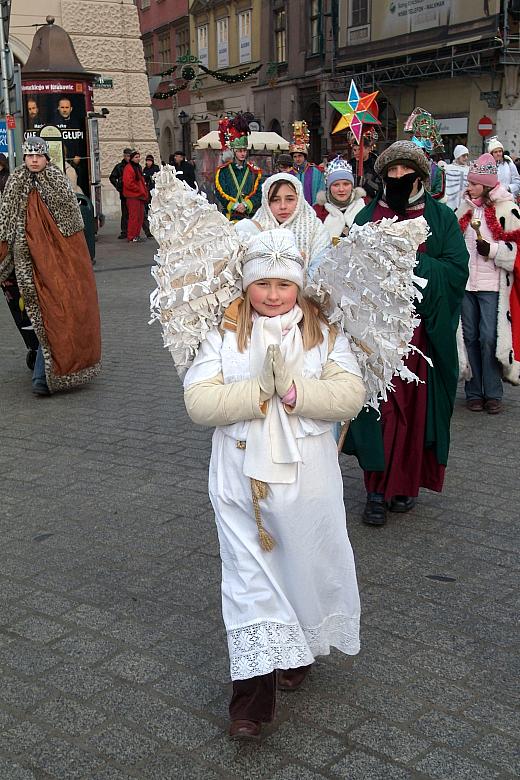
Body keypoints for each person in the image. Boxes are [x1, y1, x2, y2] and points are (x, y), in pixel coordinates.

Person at [183, 228, 365, 740]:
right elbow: (198, 400)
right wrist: (256, 391)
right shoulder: (224, 331)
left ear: (298, 287)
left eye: (283, 284)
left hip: (307, 481)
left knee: (301, 571)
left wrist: (293, 390)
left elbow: (349, 394)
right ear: (247, 286)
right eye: (262, 283)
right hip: (241, 480)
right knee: (248, 584)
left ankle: (298, 651)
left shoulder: (324, 332)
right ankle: (250, 703)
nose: (272, 294)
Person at [342, 140, 469, 525]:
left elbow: (455, 271)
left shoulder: (441, 218)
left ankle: (404, 486)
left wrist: (414, 263)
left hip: (420, 337)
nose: (398, 177)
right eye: (391, 172)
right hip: (375, 337)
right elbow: (349, 271)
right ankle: (376, 490)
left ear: (420, 176)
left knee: (413, 412)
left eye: (404, 170)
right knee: (378, 411)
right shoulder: (367, 216)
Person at [0, 136, 101, 396]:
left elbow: (71, 228)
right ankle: (39, 359)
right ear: (24, 158)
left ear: (46, 157)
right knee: (30, 315)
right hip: (21, 263)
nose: (34, 160)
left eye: (38, 156)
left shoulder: (58, 182)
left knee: (55, 312)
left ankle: (44, 375)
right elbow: (6, 224)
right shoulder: (15, 182)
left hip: (55, 263)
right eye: (30, 156)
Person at [456, 153, 520, 413]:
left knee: (489, 338)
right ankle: (473, 392)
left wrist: (492, 250)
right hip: (467, 286)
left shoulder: (508, 209)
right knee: (469, 337)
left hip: (493, 286)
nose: (468, 187)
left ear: (486, 185)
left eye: (473, 183)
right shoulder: (464, 208)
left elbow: (517, 250)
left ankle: (493, 392)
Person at [236, 173, 330, 275]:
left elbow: (321, 272)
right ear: (266, 202)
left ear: (299, 199)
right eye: (275, 200)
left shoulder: (317, 230)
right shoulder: (251, 230)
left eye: (290, 199)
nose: (283, 206)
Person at [215, 113, 262, 221]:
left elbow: (258, 193)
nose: (243, 154)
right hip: (229, 217)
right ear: (233, 151)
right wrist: (234, 205)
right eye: (239, 151)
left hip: (249, 216)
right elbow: (219, 192)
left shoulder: (254, 171)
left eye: (244, 151)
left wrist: (246, 205)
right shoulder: (223, 171)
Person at [313, 157, 366, 239]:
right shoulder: (317, 212)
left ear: (352, 186)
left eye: (346, 184)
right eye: (336, 185)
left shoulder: (365, 207)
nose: (341, 189)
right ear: (329, 187)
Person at [289, 120, 324, 205]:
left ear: (305, 157)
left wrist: (316, 207)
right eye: (295, 157)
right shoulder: (289, 174)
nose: (297, 159)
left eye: (300, 156)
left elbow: (321, 190)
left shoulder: (316, 172)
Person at [122, 150, 149, 243]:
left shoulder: (137, 167)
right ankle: (131, 236)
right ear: (132, 158)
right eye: (136, 157)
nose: (138, 159)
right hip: (133, 196)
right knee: (134, 217)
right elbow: (128, 183)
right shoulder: (129, 168)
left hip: (139, 195)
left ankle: (136, 235)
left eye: (138, 157)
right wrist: (139, 189)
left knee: (139, 217)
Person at [109, 147, 132, 239]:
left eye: (129, 156)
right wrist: (118, 186)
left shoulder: (134, 166)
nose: (128, 158)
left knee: (133, 213)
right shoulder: (119, 167)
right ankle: (124, 231)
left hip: (133, 192)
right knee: (125, 213)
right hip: (124, 193)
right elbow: (112, 177)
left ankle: (133, 230)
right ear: (124, 156)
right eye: (126, 156)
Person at [445, 144, 470, 210]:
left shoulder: (469, 170)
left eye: (467, 155)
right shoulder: (448, 168)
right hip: (450, 203)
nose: (466, 158)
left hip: (464, 203)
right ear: (457, 156)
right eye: (463, 156)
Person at [143, 154, 160, 238]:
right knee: (147, 209)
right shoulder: (145, 169)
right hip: (147, 191)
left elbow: (157, 177)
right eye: (147, 161)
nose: (148, 162)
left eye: (150, 161)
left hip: (154, 191)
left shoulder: (156, 168)